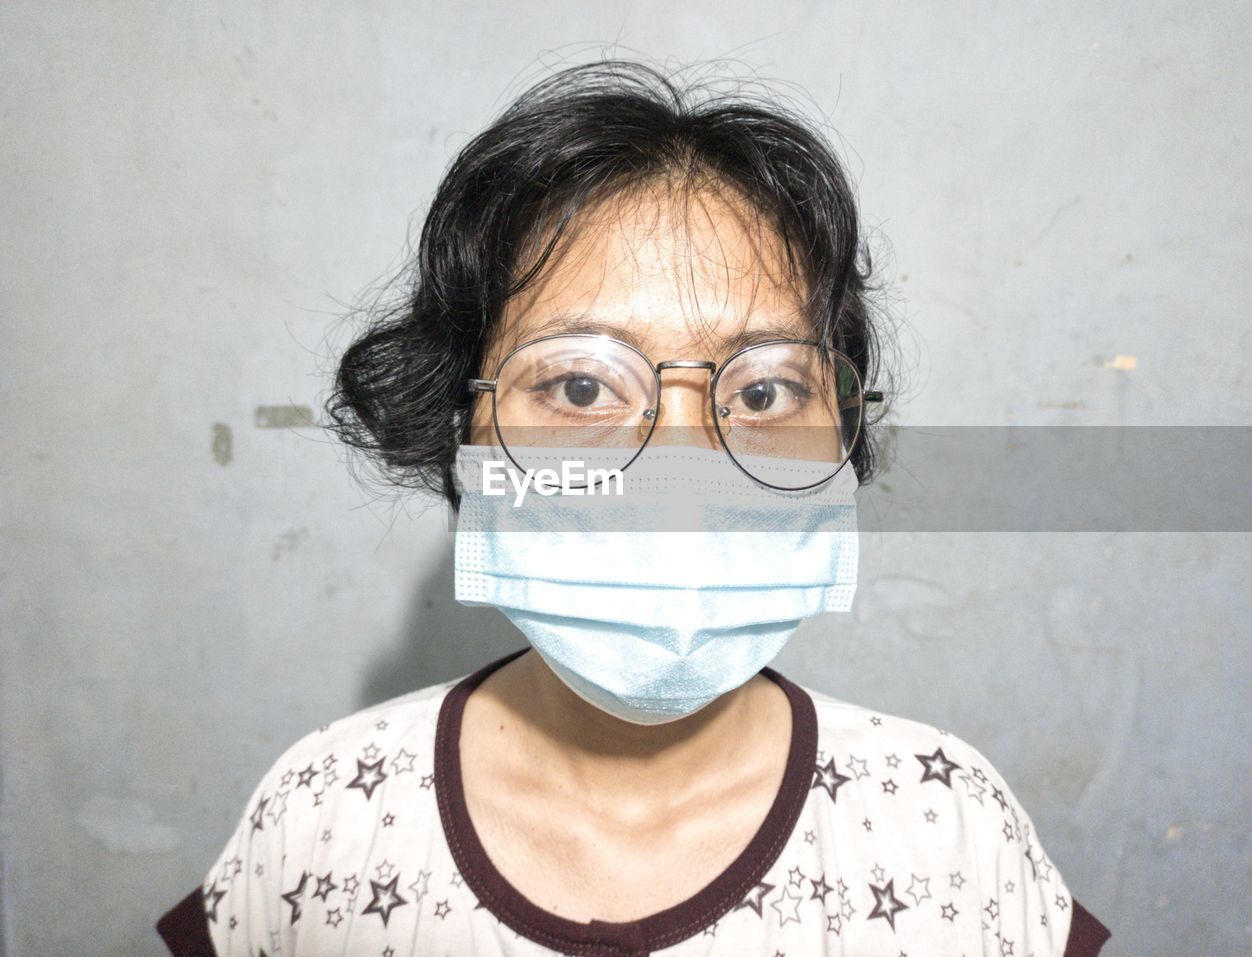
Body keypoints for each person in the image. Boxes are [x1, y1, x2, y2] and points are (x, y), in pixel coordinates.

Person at [158, 59, 1111, 956]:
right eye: (580, 387)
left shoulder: (946, 828)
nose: (682, 476)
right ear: (466, 426)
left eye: (765, 391)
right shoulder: (325, 819)